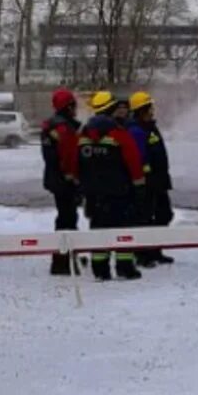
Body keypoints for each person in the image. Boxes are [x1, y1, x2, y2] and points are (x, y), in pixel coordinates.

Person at [79, 90, 147, 281]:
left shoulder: (83, 134)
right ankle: (125, 268)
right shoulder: (119, 134)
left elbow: (75, 163)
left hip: (93, 193)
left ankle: (100, 269)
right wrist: (139, 186)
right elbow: (133, 161)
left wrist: (80, 187)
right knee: (123, 229)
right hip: (119, 191)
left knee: (98, 228)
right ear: (111, 109)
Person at [128, 91, 174, 267]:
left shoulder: (149, 127)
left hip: (159, 180)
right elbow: (139, 158)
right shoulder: (136, 130)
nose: (152, 111)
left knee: (164, 214)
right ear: (141, 110)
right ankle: (143, 254)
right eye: (149, 108)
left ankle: (155, 250)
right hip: (148, 182)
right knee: (145, 217)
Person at [41, 87, 82, 276]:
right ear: (68, 107)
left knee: (65, 217)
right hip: (64, 180)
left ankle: (66, 255)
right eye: (74, 105)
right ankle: (62, 260)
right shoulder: (64, 128)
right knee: (67, 219)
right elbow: (68, 155)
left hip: (55, 178)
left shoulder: (51, 126)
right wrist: (73, 177)